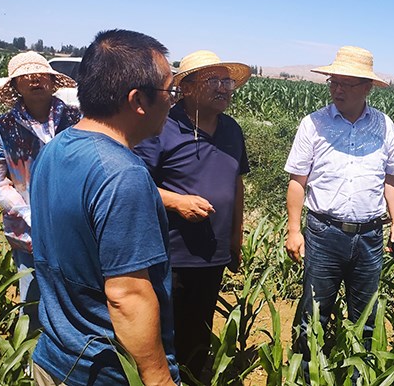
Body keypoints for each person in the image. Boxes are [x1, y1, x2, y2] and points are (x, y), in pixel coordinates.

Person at [29, 29, 181, 385]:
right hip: (103, 372)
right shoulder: (123, 174)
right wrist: (159, 379)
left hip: (54, 358)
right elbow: (127, 295)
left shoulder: (56, 147)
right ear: (138, 100)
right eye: (169, 91)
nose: (173, 101)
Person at [284, 46, 394, 379]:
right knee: (313, 315)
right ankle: (305, 376)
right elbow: (297, 181)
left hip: (370, 236)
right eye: (334, 82)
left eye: (347, 84)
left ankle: (357, 377)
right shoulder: (313, 125)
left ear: (366, 87)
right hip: (324, 232)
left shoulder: (383, 125)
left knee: (365, 317)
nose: (337, 89)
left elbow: (392, 176)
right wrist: (294, 230)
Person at [133, 49, 251, 381]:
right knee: (161, 331)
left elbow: (237, 186)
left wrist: (235, 238)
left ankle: (194, 376)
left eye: (227, 81)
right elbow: (136, 183)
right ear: (186, 88)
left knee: (199, 328)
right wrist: (177, 202)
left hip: (213, 254)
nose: (224, 88)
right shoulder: (162, 126)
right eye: (213, 81)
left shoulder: (232, 130)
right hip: (169, 253)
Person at [0, 52, 81, 334]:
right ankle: (33, 357)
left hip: (74, 223)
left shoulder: (75, 117)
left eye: (40, 73)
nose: (34, 78)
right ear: (15, 85)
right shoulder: (2, 127)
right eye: (25, 75)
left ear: (53, 81)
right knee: (32, 292)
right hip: (27, 228)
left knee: (76, 292)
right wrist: (29, 214)